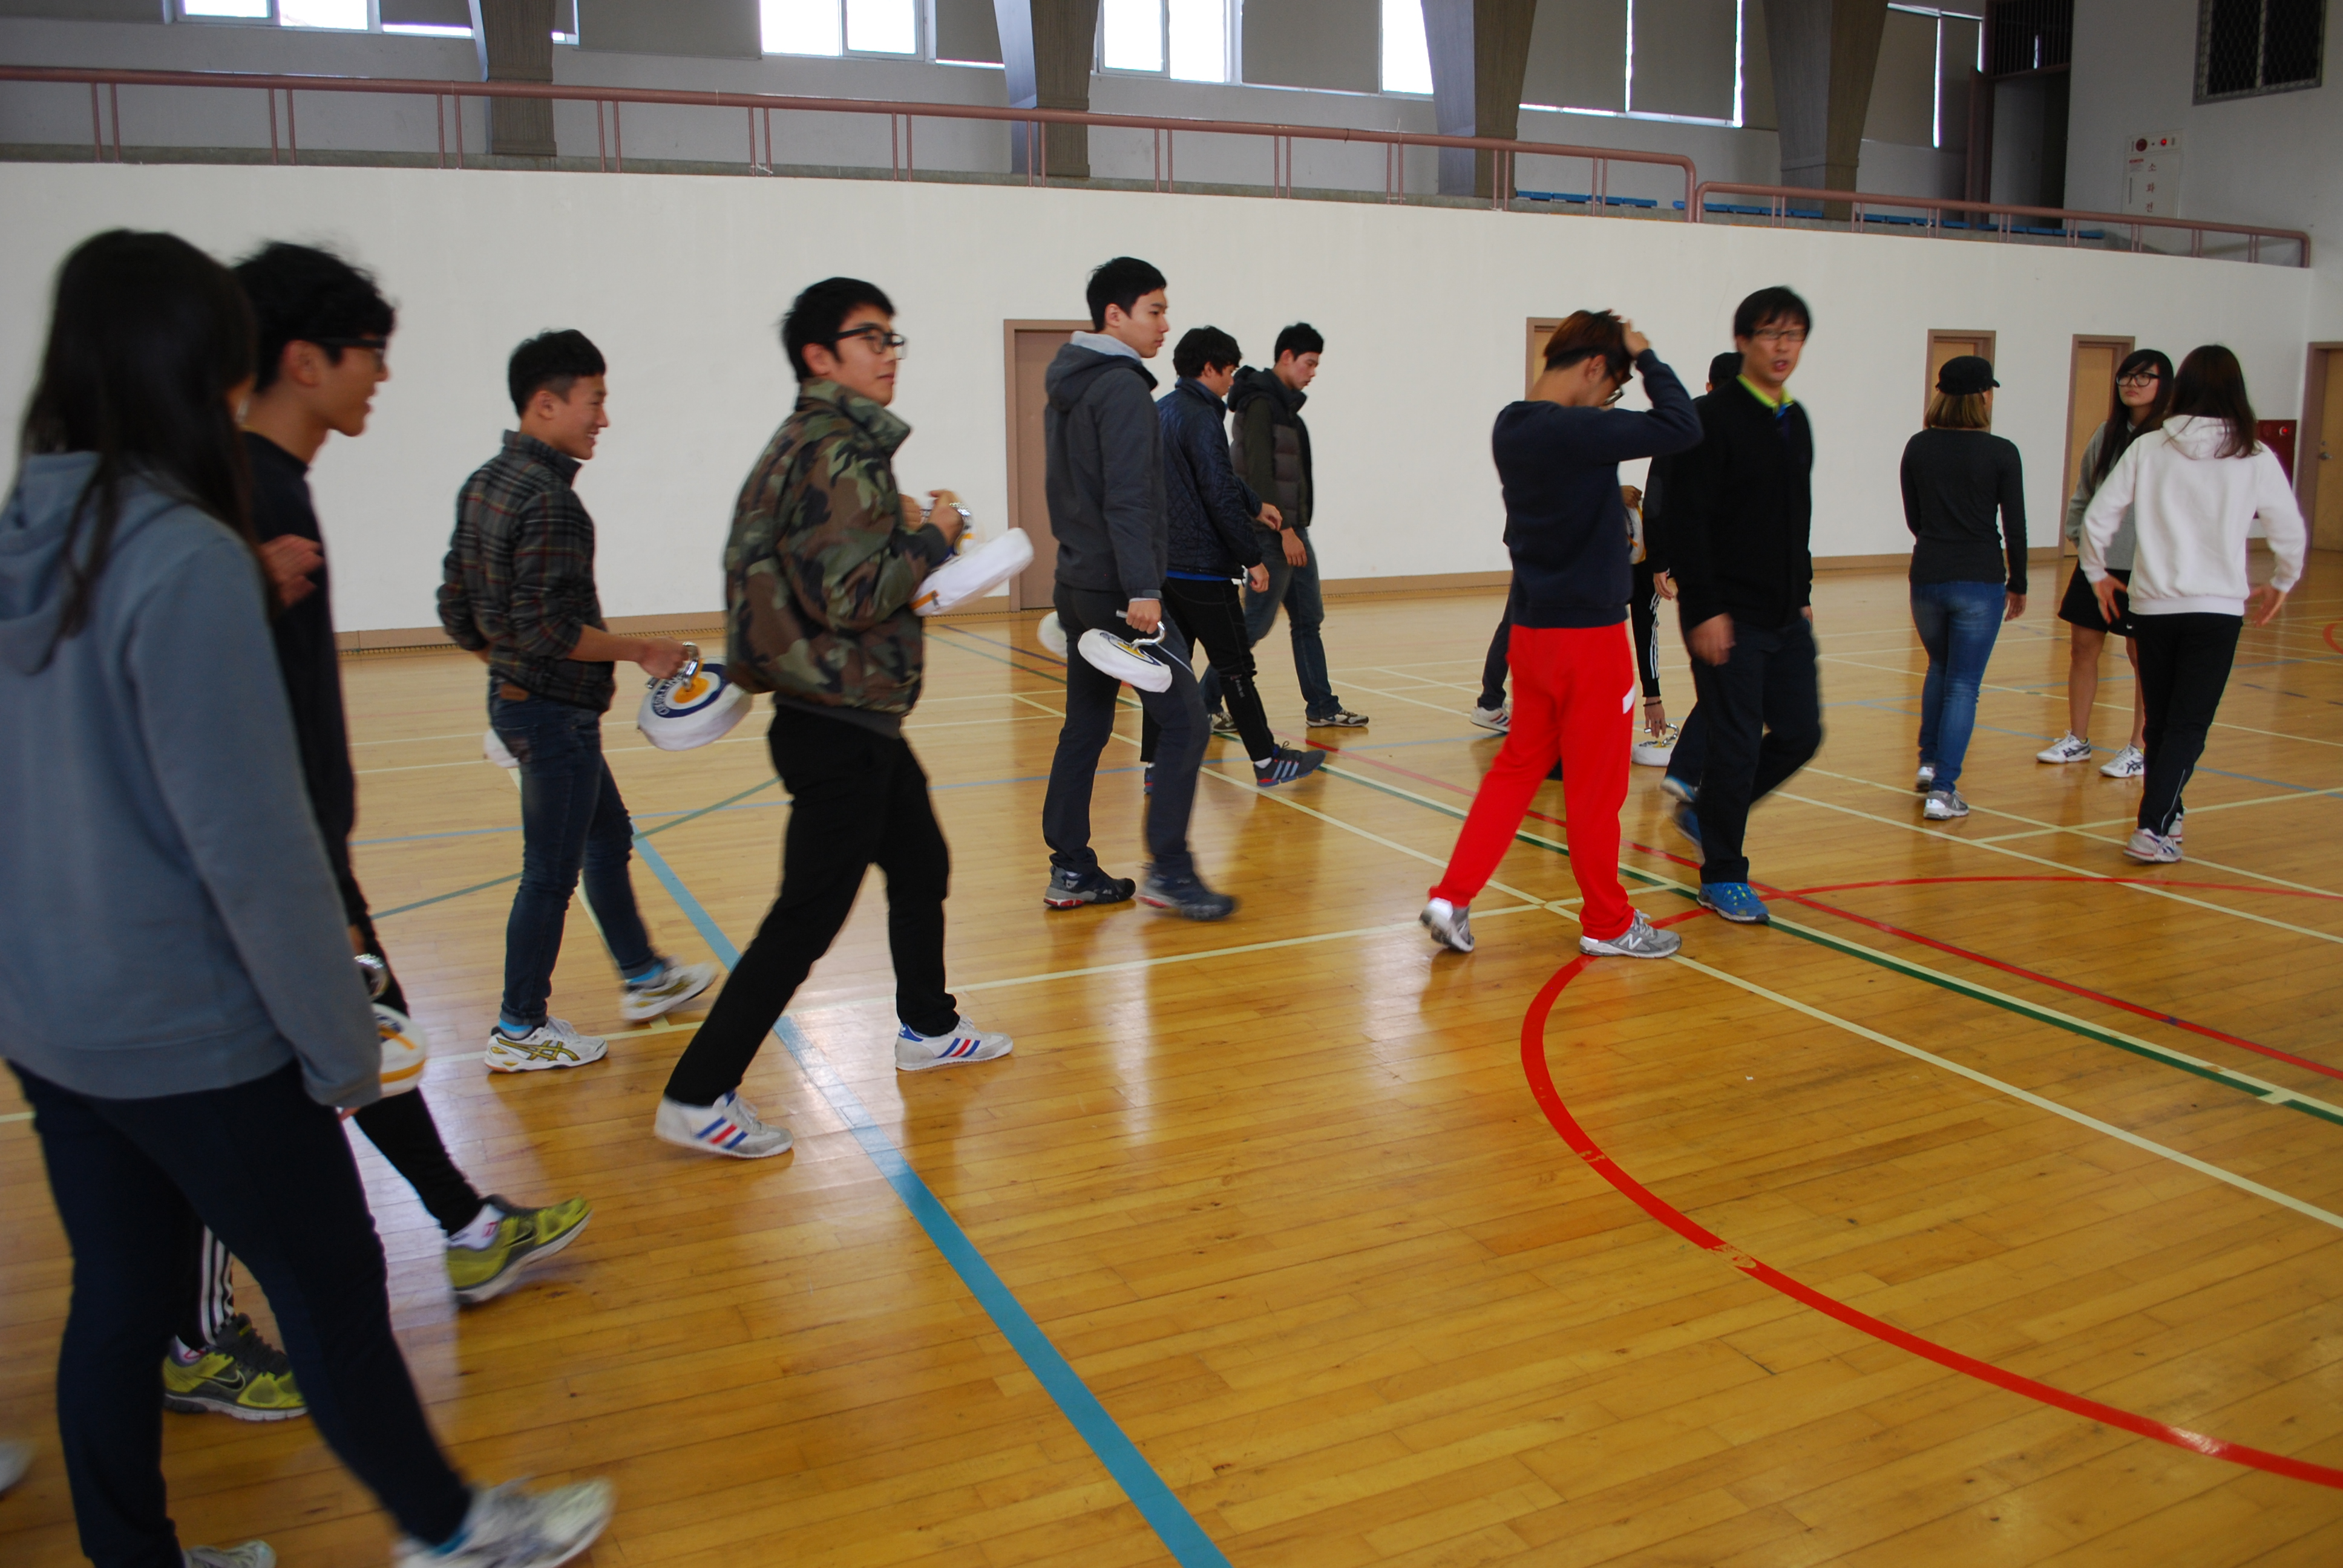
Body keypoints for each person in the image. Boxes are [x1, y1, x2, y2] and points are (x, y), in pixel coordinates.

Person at [0, 227, 611, 1568]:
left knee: (117, 1298)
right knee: (333, 1281)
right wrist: (341, 1044)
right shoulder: (183, 557)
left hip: (52, 1015)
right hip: (187, 1022)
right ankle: (452, 1532)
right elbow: (251, 842)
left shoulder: (33, 529)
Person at [159, 244, 595, 1432]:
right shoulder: (245, 493)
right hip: (260, 867)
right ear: (305, 360)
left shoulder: (268, 488)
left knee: (372, 1039)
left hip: (303, 850)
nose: (383, 377)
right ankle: (192, 1335)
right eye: (370, 354)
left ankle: (464, 1224)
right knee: (248, 1098)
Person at [655, 278, 1012, 1157]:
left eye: (894, 339)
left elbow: (825, 565)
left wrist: (905, 528)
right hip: (837, 721)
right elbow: (853, 593)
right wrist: (934, 534)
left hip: (852, 719)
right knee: (806, 918)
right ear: (821, 356)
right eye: (871, 338)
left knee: (921, 862)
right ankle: (696, 1095)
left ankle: (928, 1027)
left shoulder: (811, 442)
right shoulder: (838, 448)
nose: (890, 354)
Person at [439, 330, 717, 1072]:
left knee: (606, 834)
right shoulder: (551, 501)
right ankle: (519, 1027)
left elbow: (456, 610)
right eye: (594, 402)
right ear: (545, 404)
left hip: (526, 704)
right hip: (552, 716)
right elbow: (548, 629)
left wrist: (506, 675)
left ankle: (644, 976)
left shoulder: (483, 484)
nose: (604, 418)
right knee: (550, 872)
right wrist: (641, 650)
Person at [1421, 311, 1700, 959]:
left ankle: (1451, 898)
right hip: (1590, 642)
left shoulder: (1510, 425)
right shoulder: (1581, 430)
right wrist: (1647, 355)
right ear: (1595, 366)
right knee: (1596, 791)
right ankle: (1608, 921)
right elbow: (1683, 426)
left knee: (1515, 772)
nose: (1610, 401)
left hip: (1533, 633)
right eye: (1613, 386)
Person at [1039, 256, 1236, 920]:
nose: (1164, 324)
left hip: (1078, 582)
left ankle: (1071, 867)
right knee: (1186, 722)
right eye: (1155, 310)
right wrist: (1143, 590)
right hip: (1122, 594)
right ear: (1114, 315)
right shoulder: (1121, 388)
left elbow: (1068, 490)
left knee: (1087, 724)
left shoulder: (1068, 383)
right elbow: (1128, 498)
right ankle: (1170, 871)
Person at [2081, 344, 2304, 863]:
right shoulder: (2254, 456)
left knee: (2162, 720)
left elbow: (2099, 515)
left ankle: (2169, 812)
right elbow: (2288, 530)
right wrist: (2283, 580)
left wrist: (2096, 572)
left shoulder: (2150, 446)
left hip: (2152, 606)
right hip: (2215, 610)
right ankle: (2152, 827)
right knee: (2187, 724)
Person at [1663, 287, 1825, 924]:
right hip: (1726, 614)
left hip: (1783, 613)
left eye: (1793, 335)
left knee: (1801, 733)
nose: (1783, 347)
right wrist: (1705, 609)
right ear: (1743, 341)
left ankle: (1708, 814)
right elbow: (1689, 522)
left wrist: (1801, 595)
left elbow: (1796, 518)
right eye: (1770, 334)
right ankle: (1723, 874)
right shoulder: (1712, 419)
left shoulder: (1794, 419)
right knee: (1734, 745)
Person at [1138, 325, 1325, 791]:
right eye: (1228, 371)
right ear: (1209, 369)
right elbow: (1217, 492)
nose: (1230, 381)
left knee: (1168, 670)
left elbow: (1215, 475)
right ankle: (1267, 761)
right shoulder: (1202, 416)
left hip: (1165, 568)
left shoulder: (1163, 410)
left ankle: (1156, 769)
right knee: (1236, 666)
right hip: (1202, 569)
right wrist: (1251, 558)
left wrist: (1255, 503)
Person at [1204, 322, 1371, 730]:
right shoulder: (1261, 405)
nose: (1312, 372)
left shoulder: (1284, 408)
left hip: (1293, 530)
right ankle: (1203, 703)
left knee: (1308, 620)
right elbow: (1259, 476)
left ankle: (1322, 707)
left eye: (1316, 365)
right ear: (1286, 358)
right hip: (1272, 534)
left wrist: (1295, 529)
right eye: (1308, 363)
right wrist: (1285, 532)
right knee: (1255, 624)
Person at [1901, 354, 2027, 821]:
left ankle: (1929, 762)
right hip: (1979, 578)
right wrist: (2019, 581)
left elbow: (1914, 517)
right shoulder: (2001, 452)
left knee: (1940, 666)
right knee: (1963, 685)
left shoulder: (1918, 447)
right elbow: (2015, 526)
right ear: (1982, 397)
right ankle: (1943, 790)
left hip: (1928, 576)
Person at [2039, 349, 2174, 776]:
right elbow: (2085, 490)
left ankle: (2139, 746)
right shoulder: (2106, 433)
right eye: (2126, 377)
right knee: (2083, 648)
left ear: (2164, 385)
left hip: (2145, 567)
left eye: (2144, 377)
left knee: (2141, 657)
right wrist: (2080, 537)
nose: (2132, 384)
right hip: (2098, 564)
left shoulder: (2168, 439)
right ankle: (2078, 739)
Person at [1647, 351, 1742, 804]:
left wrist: (1659, 559)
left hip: (1698, 568)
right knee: (1732, 677)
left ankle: (1693, 768)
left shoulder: (1685, 424)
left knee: (1725, 675)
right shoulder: (1742, 426)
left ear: (1709, 386)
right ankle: (1691, 769)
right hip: (1732, 573)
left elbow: (1656, 494)